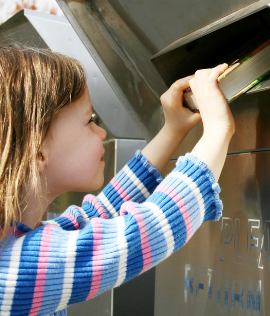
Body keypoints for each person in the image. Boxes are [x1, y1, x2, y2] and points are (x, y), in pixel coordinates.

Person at [0, 43, 235, 316]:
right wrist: (218, 129)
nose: (100, 132)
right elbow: (142, 234)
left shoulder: (14, 244)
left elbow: (98, 214)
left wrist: (172, 131)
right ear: (37, 152)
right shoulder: (15, 271)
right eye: (89, 120)